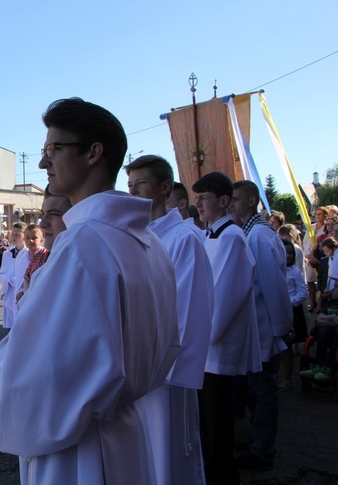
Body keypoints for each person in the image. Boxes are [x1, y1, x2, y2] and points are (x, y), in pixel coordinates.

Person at [0, 98, 178, 483]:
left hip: (81, 449)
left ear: (93, 152)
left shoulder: (84, 243)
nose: (43, 163)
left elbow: (48, 367)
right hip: (128, 432)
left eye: (54, 149)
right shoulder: (149, 242)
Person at [126, 155, 215, 484]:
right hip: (138, 369)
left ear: (165, 188)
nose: (133, 193)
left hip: (165, 373)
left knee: (168, 458)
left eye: (141, 185)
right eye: (129, 186)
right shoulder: (141, 235)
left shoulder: (183, 239)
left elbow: (187, 309)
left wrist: (162, 368)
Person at [191, 172, 260, 484]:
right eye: (197, 199)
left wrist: (204, 337)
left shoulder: (232, 238)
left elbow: (227, 297)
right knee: (205, 425)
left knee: (218, 428)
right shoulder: (207, 235)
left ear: (223, 201)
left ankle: (223, 479)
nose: (198, 205)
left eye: (203, 199)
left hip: (215, 349)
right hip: (202, 346)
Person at [229, 180, 293, 471]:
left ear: (252, 199)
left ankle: (262, 450)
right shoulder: (251, 231)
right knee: (257, 390)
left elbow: (274, 286)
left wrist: (281, 328)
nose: (232, 204)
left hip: (264, 328)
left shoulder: (258, 236)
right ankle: (258, 440)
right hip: (255, 327)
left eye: (237, 198)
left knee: (264, 391)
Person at [300, 272, 338, 381]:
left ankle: (329, 367)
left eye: (336, 287)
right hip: (330, 336)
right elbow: (319, 320)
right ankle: (319, 366)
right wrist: (333, 318)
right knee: (322, 330)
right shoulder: (332, 301)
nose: (332, 290)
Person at [277, 239, 309, 391]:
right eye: (285, 252)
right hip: (276, 309)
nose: (288, 256)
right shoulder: (274, 269)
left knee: (287, 345)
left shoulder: (295, 272)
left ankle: (287, 378)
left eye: (291, 253)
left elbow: (302, 293)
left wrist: (288, 302)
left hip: (290, 310)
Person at [0, 222, 29, 329]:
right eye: (12, 234)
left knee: (22, 324)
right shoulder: (7, 253)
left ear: (25, 236)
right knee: (11, 326)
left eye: (17, 235)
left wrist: (15, 280)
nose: (13, 237)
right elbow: (2, 272)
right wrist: (5, 279)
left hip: (21, 291)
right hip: (9, 291)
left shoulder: (28, 253)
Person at [304, 207, 328, 312]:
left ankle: (320, 304)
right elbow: (305, 241)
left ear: (325, 216)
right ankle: (312, 302)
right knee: (310, 280)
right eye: (317, 214)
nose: (318, 216)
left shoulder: (327, 228)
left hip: (320, 257)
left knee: (321, 281)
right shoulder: (311, 227)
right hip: (309, 257)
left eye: (320, 214)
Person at [16, 223, 48, 302]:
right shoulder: (21, 256)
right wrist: (20, 291)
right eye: (27, 238)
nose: (30, 240)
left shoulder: (45, 255)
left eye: (34, 238)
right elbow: (21, 278)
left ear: (41, 240)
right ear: (24, 239)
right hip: (24, 295)